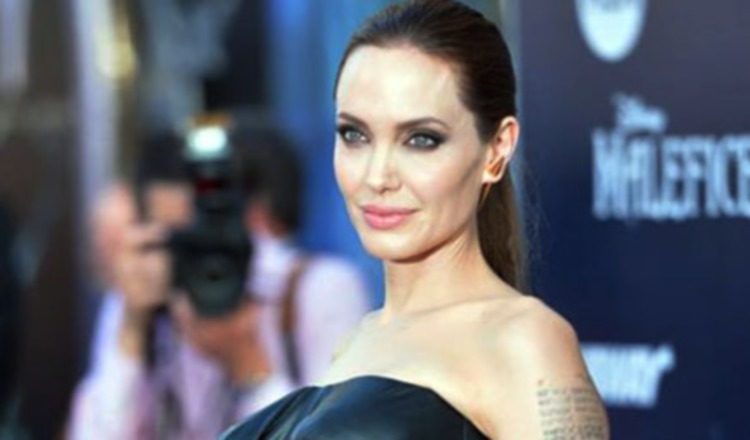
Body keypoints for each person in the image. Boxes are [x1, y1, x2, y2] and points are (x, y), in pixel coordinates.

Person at [222, 1, 610, 439]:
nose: (377, 177)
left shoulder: (524, 341)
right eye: (354, 135)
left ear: (497, 149)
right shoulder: (356, 343)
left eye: (421, 140)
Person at [68, 129, 369, 439]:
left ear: (252, 214)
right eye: (180, 240)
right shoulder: (141, 301)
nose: (204, 254)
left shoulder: (315, 291)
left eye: (211, 229)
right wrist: (131, 331)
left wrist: (250, 366)